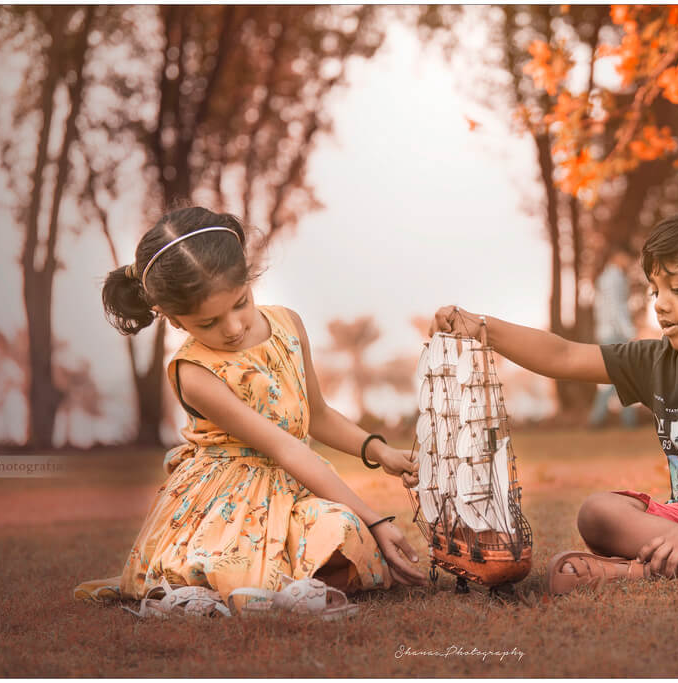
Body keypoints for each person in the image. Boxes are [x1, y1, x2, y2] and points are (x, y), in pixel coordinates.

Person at [431, 197, 678, 594]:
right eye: (656, 291)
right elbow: (564, 354)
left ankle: (634, 575)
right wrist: (481, 326)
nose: (661, 305)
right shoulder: (654, 360)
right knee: (597, 513)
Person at [74, 207, 425, 617]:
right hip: (229, 500)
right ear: (174, 320)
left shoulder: (288, 324)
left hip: (295, 487)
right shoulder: (195, 371)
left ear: (248, 277)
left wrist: (381, 453)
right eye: (208, 322)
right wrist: (377, 519)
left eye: (240, 303)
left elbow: (318, 414)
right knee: (243, 566)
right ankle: (224, 586)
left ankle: (278, 584)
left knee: (342, 531)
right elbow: (285, 448)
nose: (233, 327)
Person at [588, 245, 637, 428]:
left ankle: (602, 419)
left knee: (615, 377)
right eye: (627, 258)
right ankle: (617, 420)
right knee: (620, 377)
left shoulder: (606, 277)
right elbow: (617, 309)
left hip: (607, 332)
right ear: (618, 255)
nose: (630, 263)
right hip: (614, 333)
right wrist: (630, 332)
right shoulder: (614, 278)